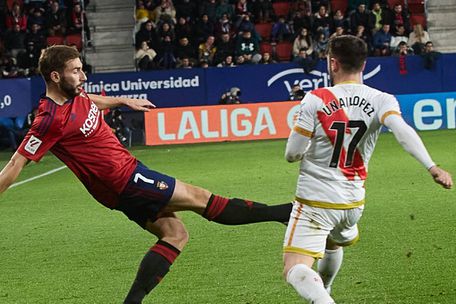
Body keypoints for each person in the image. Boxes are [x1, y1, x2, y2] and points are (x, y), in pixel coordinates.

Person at [0, 45, 292, 304]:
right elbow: (16, 163)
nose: (83, 76)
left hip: (125, 179)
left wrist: (123, 100)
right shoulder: (49, 120)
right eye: (76, 71)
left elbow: (89, 100)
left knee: (176, 235)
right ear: (55, 76)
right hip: (124, 181)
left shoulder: (75, 94)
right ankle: (286, 212)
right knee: (200, 198)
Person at [281, 35, 453, 304]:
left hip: (315, 200)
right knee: (332, 243)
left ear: (333, 63)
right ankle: (325, 289)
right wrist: (432, 167)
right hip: (352, 203)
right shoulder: (382, 99)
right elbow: (402, 131)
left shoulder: (316, 99)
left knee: (294, 268)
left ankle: (323, 300)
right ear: (363, 64)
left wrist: (309, 145)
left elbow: (292, 154)